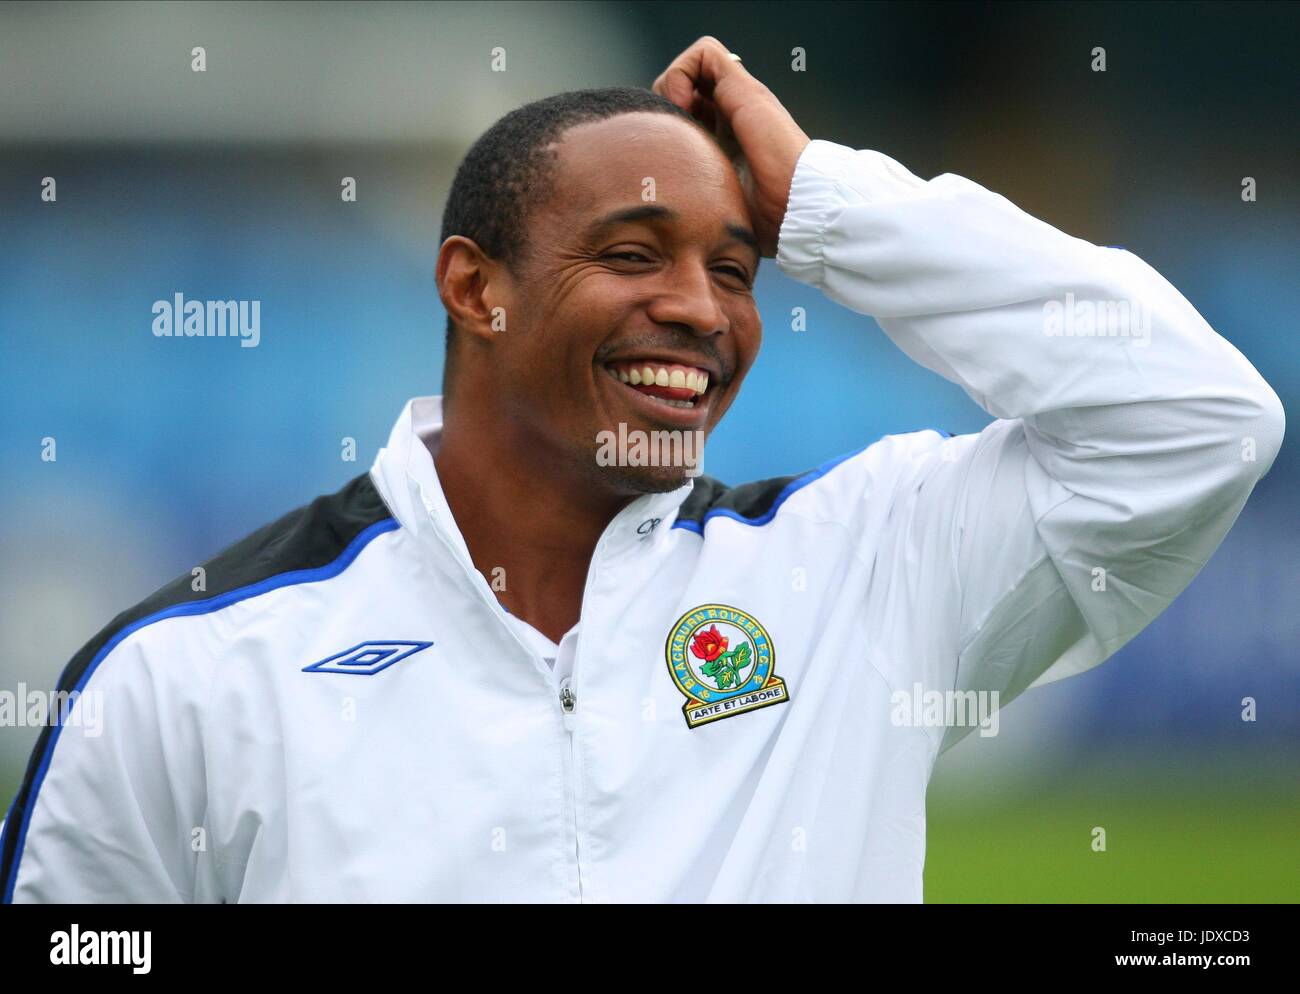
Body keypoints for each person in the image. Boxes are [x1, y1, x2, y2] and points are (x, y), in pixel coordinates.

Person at [1, 37, 1282, 903]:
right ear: (474, 287)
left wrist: (826, 205)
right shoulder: (184, 671)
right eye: (632, 252)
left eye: (735, 268)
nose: (699, 309)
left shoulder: (863, 564)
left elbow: (1198, 418)